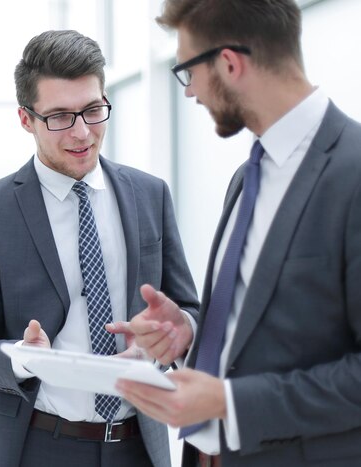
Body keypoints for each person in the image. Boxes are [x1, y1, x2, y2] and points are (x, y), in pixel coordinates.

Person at [112, 1, 361, 466]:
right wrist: (189, 333)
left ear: (229, 62)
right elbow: (265, 327)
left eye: (187, 69)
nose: (189, 93)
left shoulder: (353, 172)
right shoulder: (248, 176)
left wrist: (230, 403)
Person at [0, 29, 199, 467]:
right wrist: (21, 359)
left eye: (93, 110)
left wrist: (165, 343)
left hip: (140, 443)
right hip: (38, 445)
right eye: (60, 116)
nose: (82, 132)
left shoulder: (150, 194)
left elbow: (188, 311)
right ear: (26, 119)